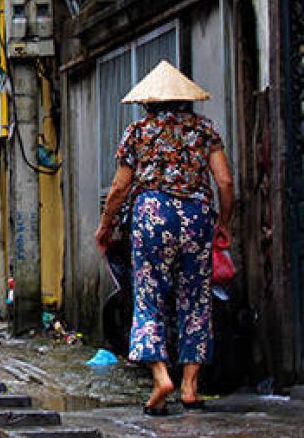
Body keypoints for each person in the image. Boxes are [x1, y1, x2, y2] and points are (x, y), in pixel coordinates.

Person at [95, 61, 234, 416]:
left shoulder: (138, 132)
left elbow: (120, 188)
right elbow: (225, 182)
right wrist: (224, 222)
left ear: (149, 103)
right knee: (195, 299)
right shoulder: (205, 130)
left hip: (152, 216)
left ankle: (161, 378)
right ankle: (189, 386)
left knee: (149, 296)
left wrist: (106, 225)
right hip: (197, 216)